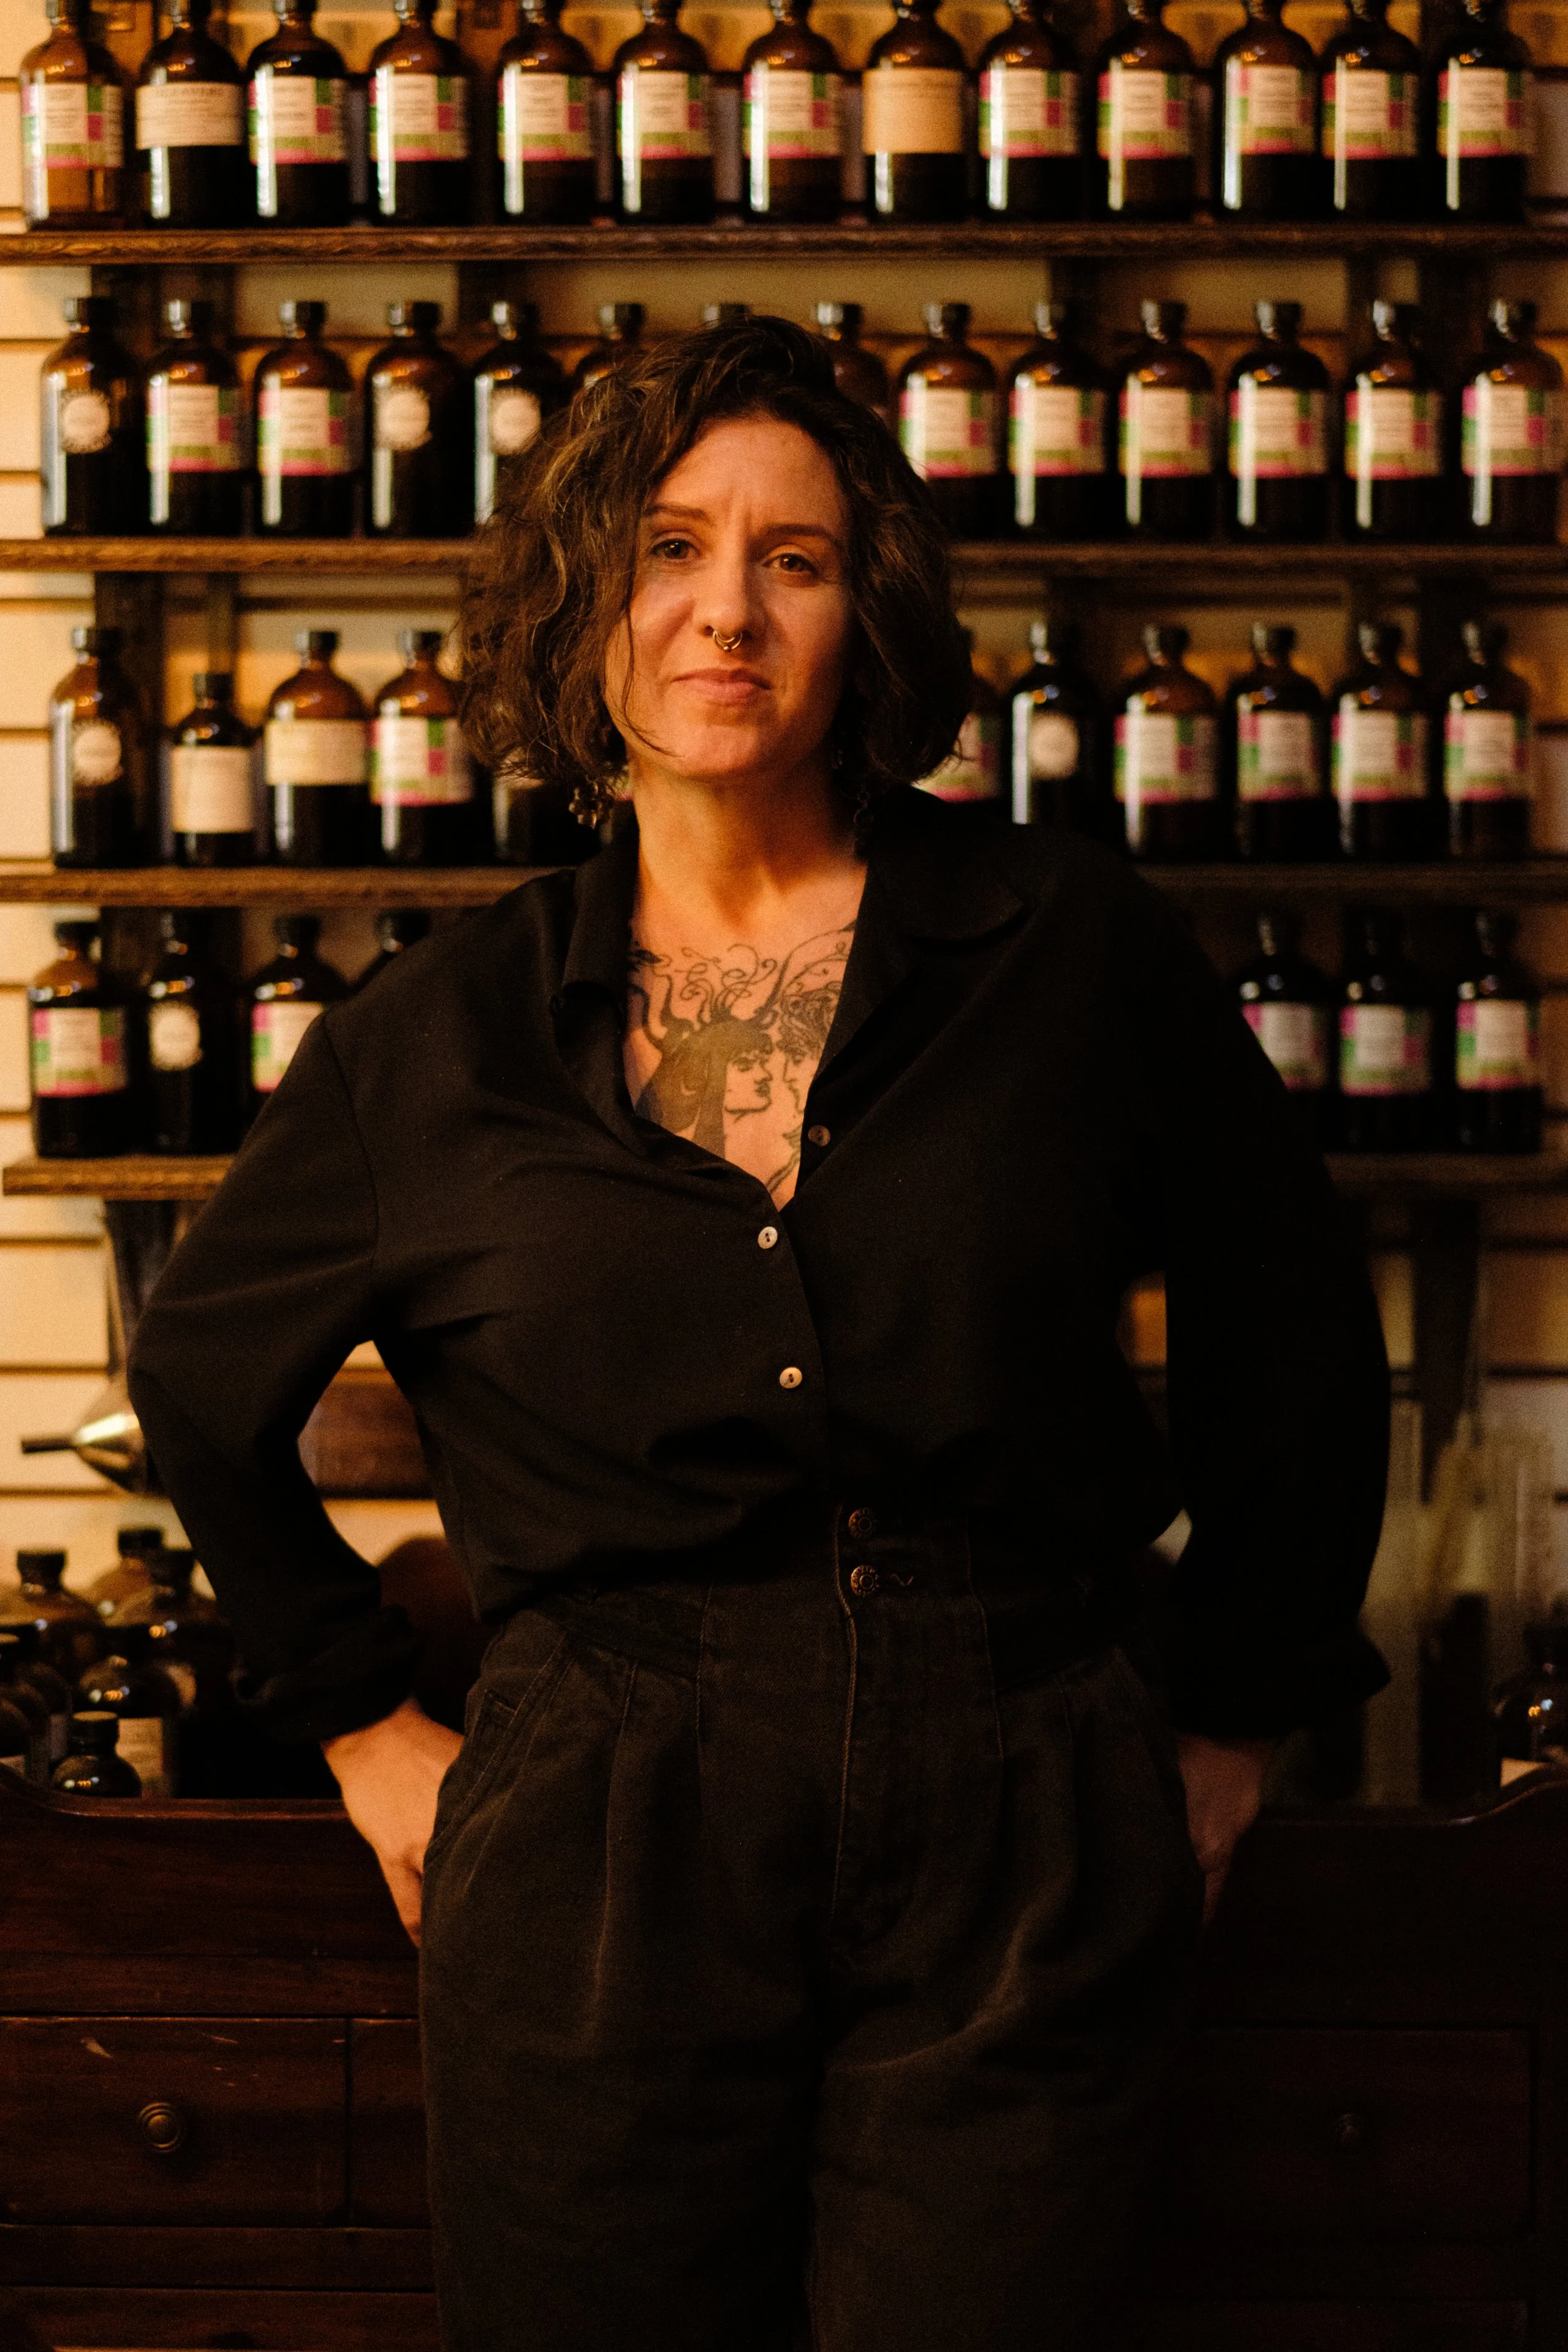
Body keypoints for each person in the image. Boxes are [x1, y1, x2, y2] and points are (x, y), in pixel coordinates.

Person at [128, 317, 1391, 2352]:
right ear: (578, 603)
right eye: (667, 547)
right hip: (600, 1813)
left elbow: (1299, 1329)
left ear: (861, 606)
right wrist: (361, 1720)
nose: (726, 608)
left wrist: (1236, 1716)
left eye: (792, 557)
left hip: (1027, 1789)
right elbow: (195, 1376)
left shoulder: (1064, 942)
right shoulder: (432, 1035)